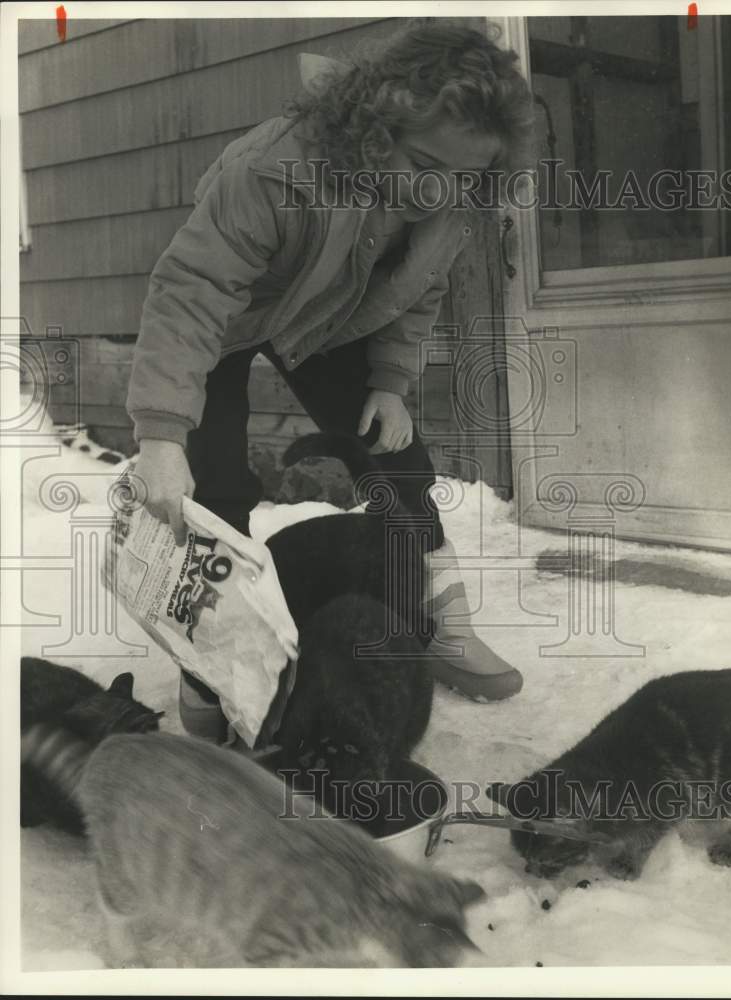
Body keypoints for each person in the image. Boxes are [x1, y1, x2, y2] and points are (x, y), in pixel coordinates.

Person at [127, 19, 534, 740]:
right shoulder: (274, 169)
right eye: (424, 163)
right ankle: (208, 660)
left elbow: (420, 294)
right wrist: (162, 435)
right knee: (214, 486)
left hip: (323, 320)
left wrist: (388, 381)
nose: (442, 190)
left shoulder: (452, 201)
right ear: (377, 120)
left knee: (396, 459)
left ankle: (438, 616)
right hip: (224, 322)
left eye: (467, 176)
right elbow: (191, 291)